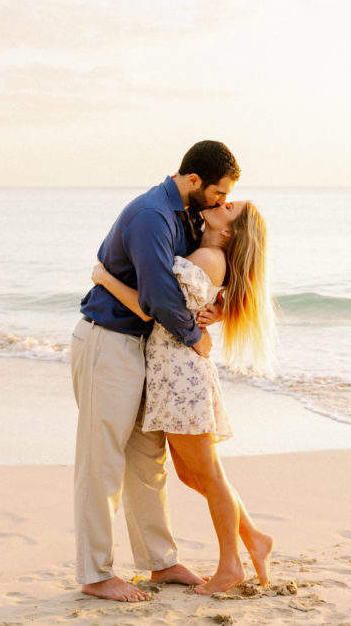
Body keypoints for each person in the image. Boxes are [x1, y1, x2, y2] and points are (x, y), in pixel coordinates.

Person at [70, 141, 240, 602]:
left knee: (148, 461)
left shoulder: (186, 215)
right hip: (110, 342)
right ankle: (95, 573)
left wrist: (217, 312)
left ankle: (160, 563)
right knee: (101, 459)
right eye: (219, 194)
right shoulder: (153, 216)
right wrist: (196, 336)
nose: (222, 203)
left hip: (146, 351)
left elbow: (197, 284)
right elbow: (159, 299)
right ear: (192, 181)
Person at [91, 198, 275, 595]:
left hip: (180, 374)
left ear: (227, 231)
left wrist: (105, 278)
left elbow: (150, 306)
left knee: (209, 474)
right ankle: (255, 538)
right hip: (173, 371)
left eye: (229, 208)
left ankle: (231, 565)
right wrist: (219, 310)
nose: (221, 203)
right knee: (193, 474)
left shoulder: (208, 257)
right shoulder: (204, 253)